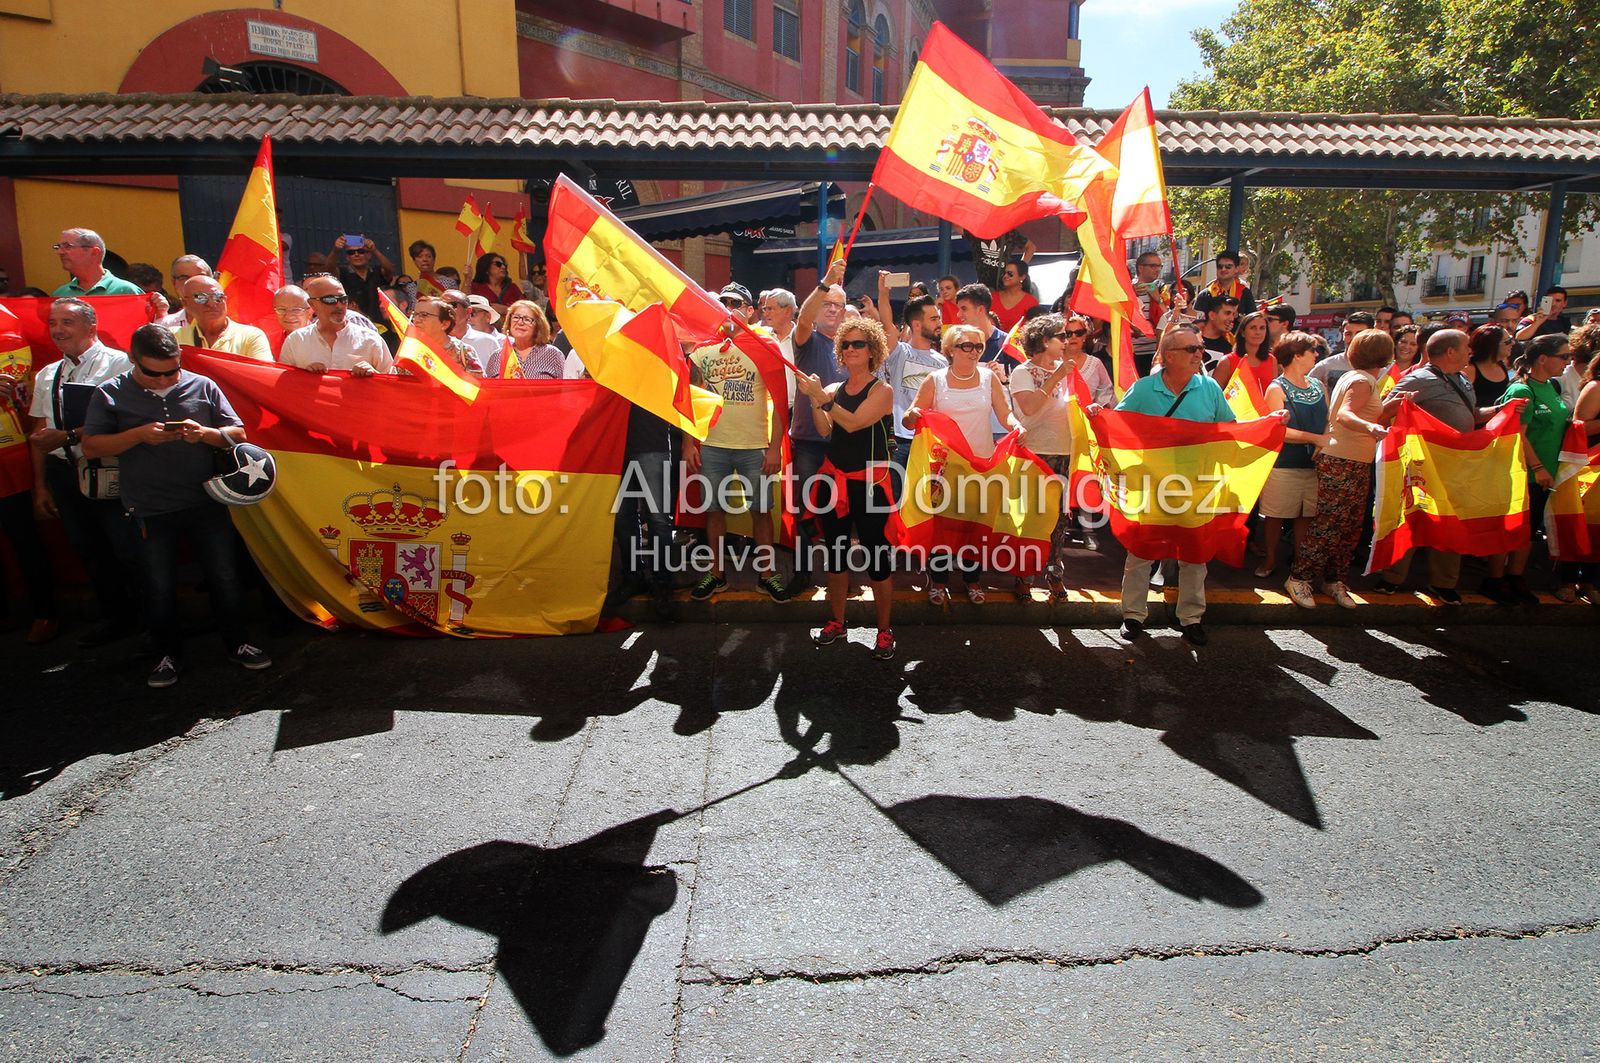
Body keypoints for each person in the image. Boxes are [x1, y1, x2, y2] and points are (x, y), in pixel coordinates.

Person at [79, 325, 272, 688]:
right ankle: (169, 654)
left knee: (225, 577)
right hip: (149, 507)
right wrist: (137, 435)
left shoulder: (202, 385)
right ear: (134, 361)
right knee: (158, 584)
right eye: (155, 373)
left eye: (173, 369)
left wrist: (206, 434)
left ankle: (238, 643)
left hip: (206, 500)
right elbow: (91, 447)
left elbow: (239, 434)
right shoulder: (111, 393)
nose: (166, 378)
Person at [1099, 326, 1255, 646]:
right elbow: (1118, 427)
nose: (1200, 354)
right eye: (1192, 350)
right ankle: (1132, 615)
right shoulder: (1143, 389)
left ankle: (1191, 618)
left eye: (1199, 349)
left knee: (1194, 555)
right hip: (1152, 483)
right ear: (1169, 356)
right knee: (1141, 552)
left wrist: (1269, 425)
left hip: (1198, 485)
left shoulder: (1209, 388)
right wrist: (1096, 418)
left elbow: (1230, 431)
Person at [26, 298, 143, 646]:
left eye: (67, 322)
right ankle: (116, 618)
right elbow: (39, 432)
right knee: (88, 547)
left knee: (127, 548)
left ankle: (153, 620)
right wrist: (40, 486)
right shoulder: (48, 374)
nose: (58, 330)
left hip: (110, 466)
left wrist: (72, 434)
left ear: (91, 327)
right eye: (53, 323)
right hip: (64, 470)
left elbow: (130, 419)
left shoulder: (119, 363)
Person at [794, 318, 898, 660]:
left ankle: (885, 631)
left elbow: (853, 424)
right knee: (836, 555)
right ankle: (836, 622)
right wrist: (814, 398)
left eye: (858, 344)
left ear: (873, 351)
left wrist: (819, 398)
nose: (850, 349)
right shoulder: (836, 389)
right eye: (846, 344)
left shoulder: (882, 391)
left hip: (869, 486)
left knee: (877, 559)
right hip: (836, 482)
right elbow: (826, 430)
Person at [1376, 328, 1502, 602]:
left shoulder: (1463, 380)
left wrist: (1499, 411)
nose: (1471, 350)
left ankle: (1444, 582)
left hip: (1455, 464)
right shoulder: (1418, 379)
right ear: (1450, 352)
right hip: (1423, 464)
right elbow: (1384, 411)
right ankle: (1391, 577)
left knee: (1449, 520)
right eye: (1466, 346)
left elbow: (1472, 416)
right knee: (1409, 516)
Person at [903, 323, 1024, 604]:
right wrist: (915, 415)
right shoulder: (936, 379)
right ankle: (938, 579)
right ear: (951, 350)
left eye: (978, 346)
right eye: (966, 346)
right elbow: (910, 416)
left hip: (982, 464)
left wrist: (1016, 426)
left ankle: (973, 580)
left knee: (975, 524)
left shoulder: (988, 378)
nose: (973, 352)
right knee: (943, 526)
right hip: (945, 467)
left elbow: (1005, 414)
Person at [683, 319, 787, 603]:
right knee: (714, 511)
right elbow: (689, 398)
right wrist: (687, 443)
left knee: (761, 511)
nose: (729, 311)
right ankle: (717, 574)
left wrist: (775, 447)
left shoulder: (765, 347)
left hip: (754, 445)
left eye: (736, 304)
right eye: (724, 304)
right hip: (713, 444)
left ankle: (766, 576)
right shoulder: (704, 348)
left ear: (748, 310)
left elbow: (779, 400)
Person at [1292, 329, 1393, 610]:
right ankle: (1299, 578)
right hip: (1343, 461)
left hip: (1353, 461)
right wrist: (1370, 427)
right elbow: (1345, 414)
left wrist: (1391, 407)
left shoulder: (1359, 378)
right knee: (1329, 524)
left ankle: (1333, 580)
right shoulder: (1362, 380)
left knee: (1348, 526)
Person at [1483, 334, 1580, 605]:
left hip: (1546, 473)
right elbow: (1517, 434)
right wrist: (1537, 467)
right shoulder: (1523, 390)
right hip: (1523, 471)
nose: (1567, 361)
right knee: (1509, 526)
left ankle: (1515, 577)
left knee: (1528, 529)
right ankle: (1495, 578)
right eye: (1563, 356)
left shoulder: (1552, 386)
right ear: (1542, 359)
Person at [1007, 313, 1080, 600]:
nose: (1067, 341)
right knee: (1031, 516)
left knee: (1060, 519)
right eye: (1061, 336)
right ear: (1043, 340)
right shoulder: (1022, 372)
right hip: (1034, 452)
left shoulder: (1068, 369)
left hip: (1065, 451)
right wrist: (1055, 378)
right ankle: (1023, 575)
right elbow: (1030, 409)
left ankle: (1054, 573)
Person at [788, 262, 850, 595]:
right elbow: (803, 319)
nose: (832, 309)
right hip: (809, 443)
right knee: (804, 512)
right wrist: (826, 283)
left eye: (838, 305)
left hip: (843, 439)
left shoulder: (851, 347)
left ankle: (838, 577)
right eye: (827, 303)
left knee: (839, 515)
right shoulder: (807, 340)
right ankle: (801, 574)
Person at [1260, 332, 1332, 602]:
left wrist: (1321, 445)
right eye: (1312, 350)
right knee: (1275, 514)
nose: (1316, 355)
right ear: (1297, 355)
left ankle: (1300, 565)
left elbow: (1328, 419)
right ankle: (1269, 559)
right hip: (1284, 463)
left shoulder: (1319, 386)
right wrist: (1317, 440)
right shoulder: (1276, 388)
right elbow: (1279, 430)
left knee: (1306, 515)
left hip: (1313, 465)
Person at [879, 293, 948, 483]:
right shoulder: (899, 351)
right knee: (895, 498)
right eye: (933, 319)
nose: (939, 323)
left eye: (939, 318)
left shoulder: (943, 362)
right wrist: (884, 291)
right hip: (898, 440)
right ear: (916, 325)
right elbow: (887, 322)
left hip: (928, 442)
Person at [278, 274, 393, 376]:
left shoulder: (371, 340)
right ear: (312, 305)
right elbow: (285, 388)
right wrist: (305, 377)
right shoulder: (296, 341)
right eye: (330, 300)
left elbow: (392, 388)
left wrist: (374, 376)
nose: (338, 305)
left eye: (342, 299)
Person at [1559, 327, 1600, 603]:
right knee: (1580, 525)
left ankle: (1591, 582)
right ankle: (1567, 579)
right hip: (1589, 466)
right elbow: (1579, 427)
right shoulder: (1596, 387)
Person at [170, 276, 273, 362]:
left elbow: (263, 376)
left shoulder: (250, 337)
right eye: (201, 297)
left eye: (218, 297)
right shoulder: (174, 337)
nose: (211, 304)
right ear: (185, 304)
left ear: (225, 301)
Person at [328, 234, 396, 327]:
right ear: (347, 257)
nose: (356, 254)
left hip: (383, 325)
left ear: (369, 255)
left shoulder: (377, 272)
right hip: (354, 325)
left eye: (361, 251)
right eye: (351, 252)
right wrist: (335, 251)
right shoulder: (342, 273)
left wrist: (374, 250)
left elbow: (390, 270)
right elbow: (328, 270)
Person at [51, 229, 143, 297]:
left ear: (94, 252)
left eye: (67, 246)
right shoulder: (60, 294)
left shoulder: (125, 291)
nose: (60, 252)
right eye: (58, 247)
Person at [407, 296, 479, 373]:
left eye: (424, 315)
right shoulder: (409, 350)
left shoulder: (464, 352)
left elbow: (478, 383)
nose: (416, 320)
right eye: (415, 314)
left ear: (445, 324)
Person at [1309, 310, 1377, 391]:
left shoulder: (1381, 369)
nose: (1353, 338)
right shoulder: (1326, 366)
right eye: (1348, 334)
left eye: (1359, 334)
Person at [494, 300, 563, 379]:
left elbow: (565, 388)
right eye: (516, 317)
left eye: (527, 319)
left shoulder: (553, 354)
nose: (520, 322)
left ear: (538, 325)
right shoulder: (497, 356)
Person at [1212, 310, 1274, 391]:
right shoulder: (1227, 362)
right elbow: (1214, 395)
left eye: (1262, 328)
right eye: (1253, 328)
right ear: (1243, 332)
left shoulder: (1272, 360)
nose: (1258, 332)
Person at [439, 290, 493, 374]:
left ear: (468, 311)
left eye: (451, 305)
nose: (445, 310)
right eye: (441, 306)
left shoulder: (488, 342)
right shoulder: (431, 339)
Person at [1193, 250, 1256, 317]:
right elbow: (1197, 321)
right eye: (1220, 266)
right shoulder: (1205, 294)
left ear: (1236, 269)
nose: (1223, 269)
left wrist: (1239, 316)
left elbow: (1252, 320)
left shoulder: (1245, 292)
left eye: (1228, 267)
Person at [159, 255, 214, 328]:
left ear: (212, 280)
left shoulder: (233, 319)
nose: (193, 282)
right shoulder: (164, 326)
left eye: (199, 276)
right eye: (184, 278)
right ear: (174, 282)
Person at [1465, 324, 1514, 405]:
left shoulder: (1501, 364)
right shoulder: (1470, 370)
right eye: (1508, 341)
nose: (1513, 343)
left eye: (1511, 339)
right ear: (1492, 345)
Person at [991, 260, 1039, 333]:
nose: (1005, 276)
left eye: (1010, 274)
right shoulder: (992, 297)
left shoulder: (1031, 302)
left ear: (1022, 277)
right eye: (1004, 273)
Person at [1197, 296, 1238, 368]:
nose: (1231, 318)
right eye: (1227, 313)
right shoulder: (1191, 338)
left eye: (1233, 314)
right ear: (1212, 315)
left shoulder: (1229, 347)